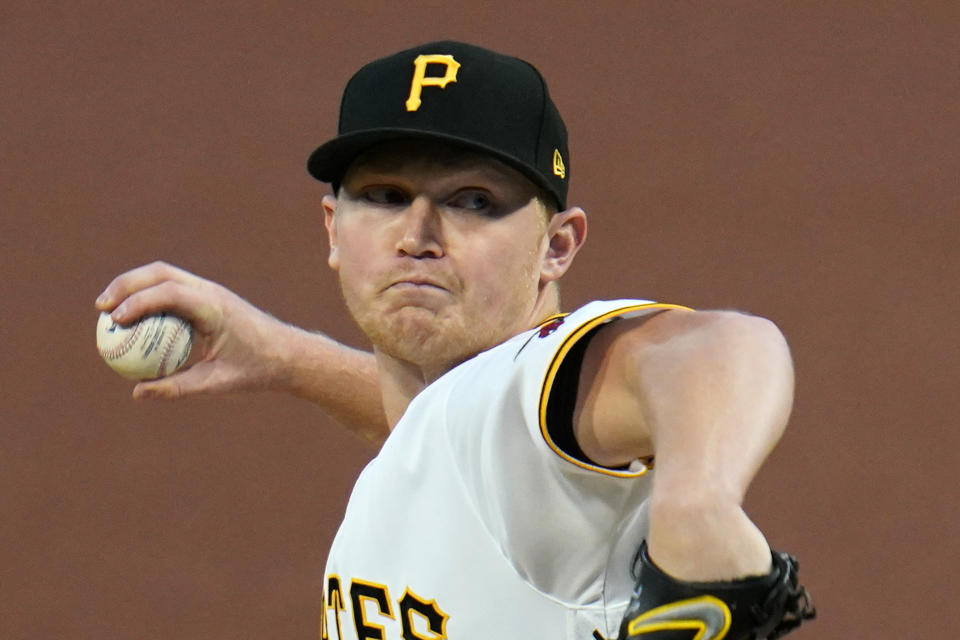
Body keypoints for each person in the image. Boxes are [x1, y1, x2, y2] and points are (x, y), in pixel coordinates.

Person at [96, 41, 814, 639]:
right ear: (331, 229)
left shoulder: (527, 379)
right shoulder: (466, 441)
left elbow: (719, 345)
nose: (417, 236)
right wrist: (286, 356)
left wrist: (699, 505)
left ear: (557, 248)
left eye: (472, 202)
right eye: (382, 196)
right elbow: (441, 439)